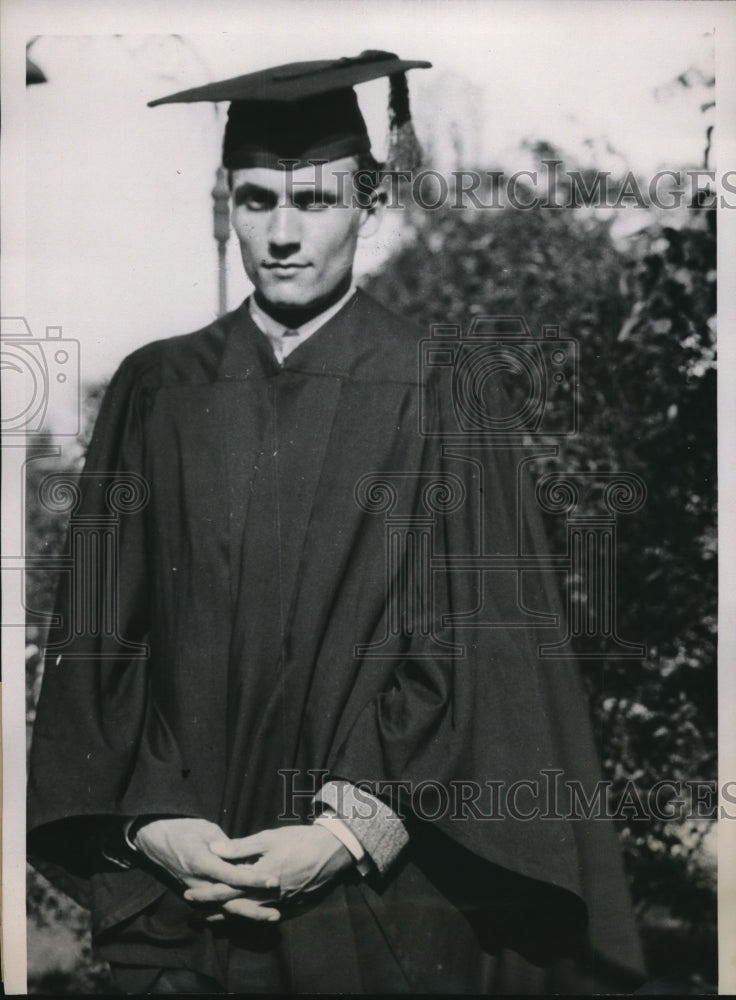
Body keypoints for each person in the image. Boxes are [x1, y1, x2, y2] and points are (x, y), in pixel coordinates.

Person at [27, 50, 645, 994]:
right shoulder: (160, 389)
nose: (281, 233)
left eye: (313, 202)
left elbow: (479, 651)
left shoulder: (443, 386)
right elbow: (103, 637)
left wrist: (343, 833)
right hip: (181, 906)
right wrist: (157, 824)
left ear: (370, 200)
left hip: (375, 906)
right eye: (255, 199)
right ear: (224, 204)